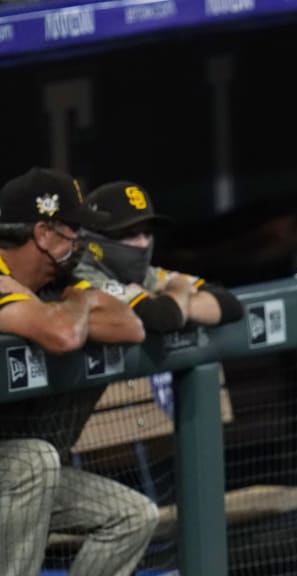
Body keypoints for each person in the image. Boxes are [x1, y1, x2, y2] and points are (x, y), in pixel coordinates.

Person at [0, 167, 152, 576]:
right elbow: (65, 335)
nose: (80, 242)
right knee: (36, 461)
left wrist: (76, 302)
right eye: (71, 230)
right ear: (42, 234)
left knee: (132, 516)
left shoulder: (65, 282)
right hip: (19, 466)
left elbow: (130, 325)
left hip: (14, 470)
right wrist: (77, 309)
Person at [73, 180, 243, 333]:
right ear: (95, 239)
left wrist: (167, 299)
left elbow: (229, 304)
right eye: (130, 234)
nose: (143, 244)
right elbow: (165, 318)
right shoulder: (83, 277)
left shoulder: (146, 274)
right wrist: (180, 288)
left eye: (147, 233)